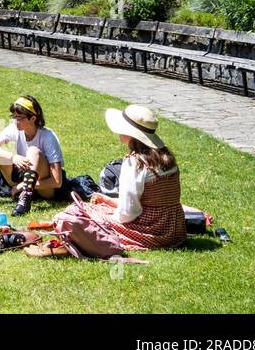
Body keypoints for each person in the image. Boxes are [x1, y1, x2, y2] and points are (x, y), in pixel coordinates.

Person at [74, 105, 186, 250]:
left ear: (131, 134)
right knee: (99, 207)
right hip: (173, 229)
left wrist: (109, 218)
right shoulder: (166, 157)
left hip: (151, 229)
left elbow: (129, 212)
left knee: (80, 212)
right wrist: (107, 201)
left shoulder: (135, 162)